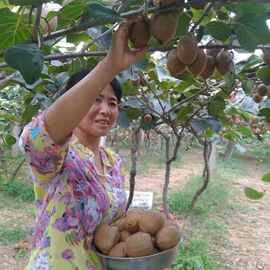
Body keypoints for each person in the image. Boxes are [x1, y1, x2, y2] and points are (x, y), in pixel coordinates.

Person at [19, 22, 146, 270]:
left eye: (112, 103)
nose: (105, 110)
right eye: (95, 100)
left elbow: (113, 226)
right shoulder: (59, 157)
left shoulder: (113, 162)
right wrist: (109, 67)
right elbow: (35, 138)